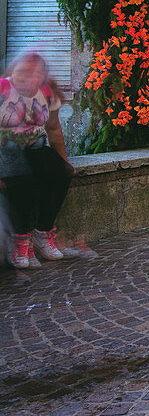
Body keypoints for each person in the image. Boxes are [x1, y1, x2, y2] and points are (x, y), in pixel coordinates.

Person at [0, 52, 81, 268]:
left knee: (61, 173)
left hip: (34, 147)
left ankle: (42, 232)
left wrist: (63, 163)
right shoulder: (2, 88)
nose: (25, 78)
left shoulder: (47, 94)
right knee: (22, 179)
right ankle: (20, 240)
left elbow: (53, 129)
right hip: (6, 150)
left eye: (32, 74)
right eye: (21, 72)